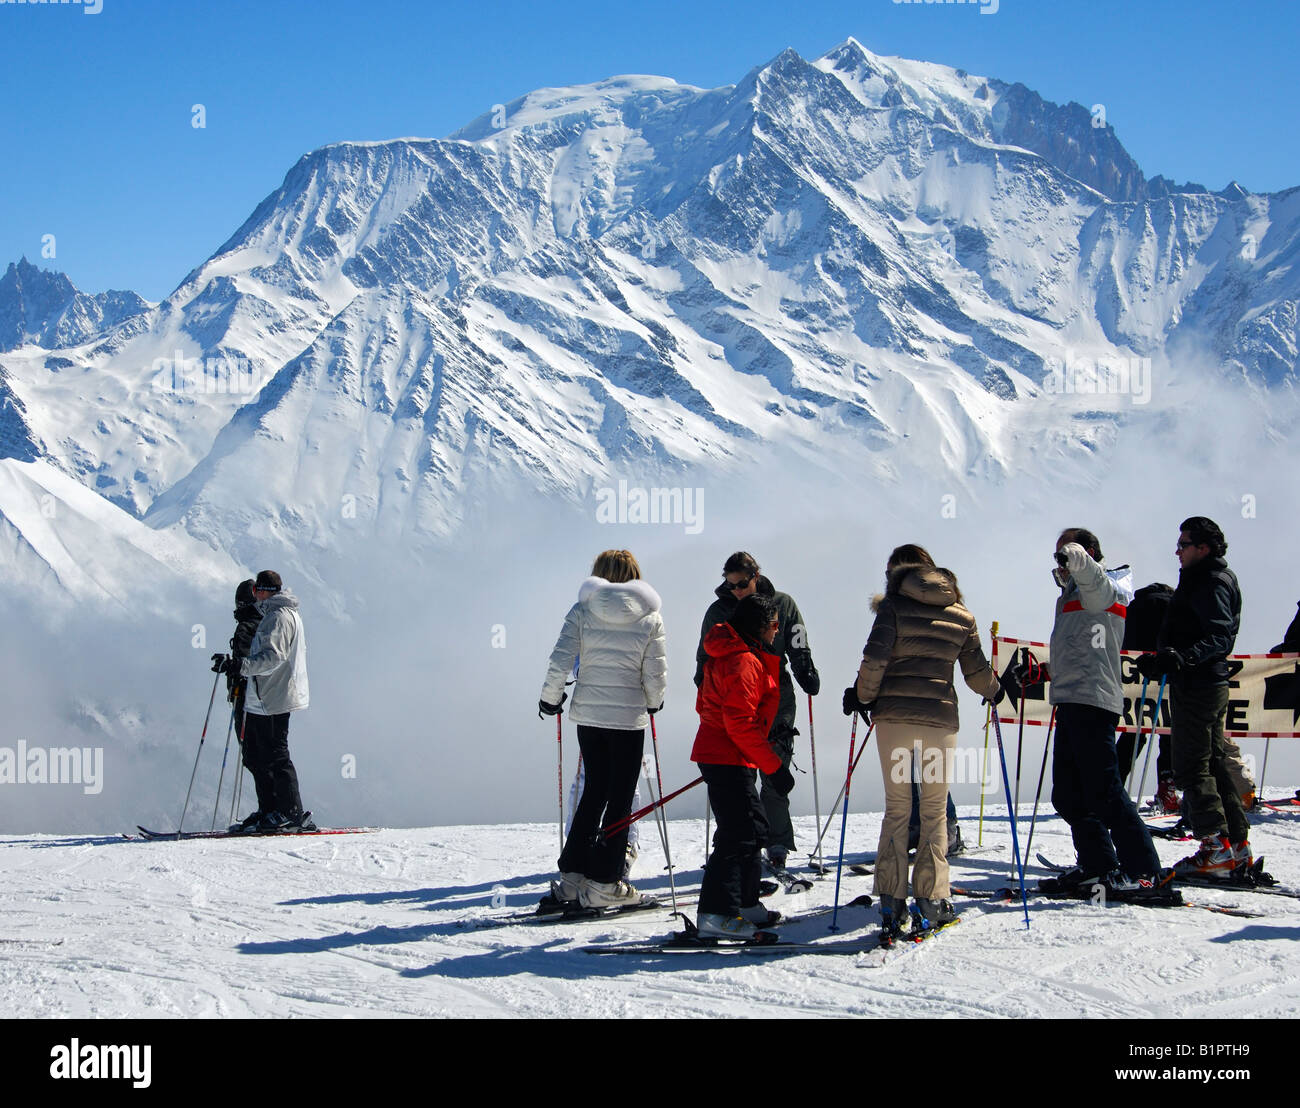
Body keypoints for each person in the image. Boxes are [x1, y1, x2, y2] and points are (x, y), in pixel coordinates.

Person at [845, 544, 1002, 936]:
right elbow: (976, 672)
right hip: (938, 722)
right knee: (933, 811)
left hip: (895, 719)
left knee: (897, 808)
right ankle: (932, 899)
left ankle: (891, 901)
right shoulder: (962, 616)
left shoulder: (893, 609)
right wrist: (996, 690)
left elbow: (875, 660)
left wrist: (862, 696)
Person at [1029, 528, 1162, 897]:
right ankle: (1098, 865)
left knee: (1105, 792)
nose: (1061, 566)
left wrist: (1073, 552)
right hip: (1071, 700)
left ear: (1084, 554)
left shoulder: (1108, 585)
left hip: (1094, 701)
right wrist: (1042, 672)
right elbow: (1078, 650)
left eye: (1065, 558)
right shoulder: (1072, 594)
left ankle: (1146, 872)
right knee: (1069, 795)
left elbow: (1097, 585)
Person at [539, 550, 667, 909]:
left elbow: (560, 657)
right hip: (627, 718)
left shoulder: (582, 611)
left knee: (593, 792)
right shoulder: (650, 616)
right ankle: (605, 883)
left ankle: (572, 877)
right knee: (620, 798)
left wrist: (550, 699)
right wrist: (654, 701)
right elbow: (654, 670)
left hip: (589, 717)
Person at [1137, 517, 1250, 878]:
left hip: (1200, 684)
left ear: (1204, 548)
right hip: (1200, 680)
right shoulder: (1204, 577)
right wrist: (1167, 657)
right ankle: (1235, 845)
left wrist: (1182, 657)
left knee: (1191, 764)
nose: (1178, 550)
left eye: (1184, 544)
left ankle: (1215, 846)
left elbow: (1220, 636)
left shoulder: (1212, 580)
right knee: (1213, 762)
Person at [694, 553, 818, 874]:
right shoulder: (719, 611)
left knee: (774, 769)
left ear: (756, 575)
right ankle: (735, 846)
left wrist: (806, 671)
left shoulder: (782, 604)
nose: (735, 590)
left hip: (776, 699)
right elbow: (704, 659)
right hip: (736, 699)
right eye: (730, 584)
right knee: (741, 777)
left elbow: (797, 643)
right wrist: (706, 695)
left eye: (742, 583)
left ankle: (776, 844)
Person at [692, 593, 793, 940]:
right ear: (759, 627)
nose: (776, 631)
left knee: (753, 829)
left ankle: (746, 903)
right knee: (739, 834)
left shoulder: (734, 655)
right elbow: (737, 722)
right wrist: (774, 766)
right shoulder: (742, 661)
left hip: (728, 754)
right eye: (774, 625)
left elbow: (707, 705)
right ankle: (716, 913)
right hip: (727, 755)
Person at [221, 570, 313, 832]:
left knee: (274, 754)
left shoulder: (278, 617)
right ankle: (273, 810)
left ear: (265, 591)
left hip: (274, 694)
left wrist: (240, 665)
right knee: (266, 754)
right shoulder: (278, 615)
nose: (255, 596)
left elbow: (273, 657)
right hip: (270, 694)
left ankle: (289, 813)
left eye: (257, 591)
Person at [1116, 582, 1177, 813]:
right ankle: (1167, 788)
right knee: (1168, 733)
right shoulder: (1173, 606)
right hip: (1166, 675)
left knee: (1133, 735)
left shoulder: (1133, 607)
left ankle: (1113, 786)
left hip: (1134, 679)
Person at [211, 579, 263, 831]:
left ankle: (268, 809)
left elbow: (245, 663)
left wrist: (230, 666)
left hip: (246, 696)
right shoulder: (265, 624)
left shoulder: (245, 626)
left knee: (253, 753)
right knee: (263, 752)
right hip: (262, 697)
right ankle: (271, 808)